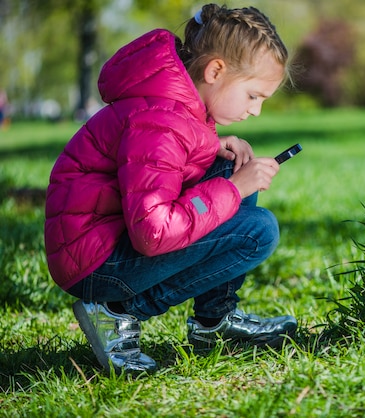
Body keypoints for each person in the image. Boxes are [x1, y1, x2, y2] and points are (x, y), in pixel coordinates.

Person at [44, 4, 297, 373]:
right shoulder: (162, 122)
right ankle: (116, 312)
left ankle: (215, 321)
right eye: (253, 96)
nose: (256, 110)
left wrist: (217, 151)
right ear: (215, 71)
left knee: (232, 165)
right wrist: (232, 190)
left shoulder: (176, 109)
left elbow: (167, 169)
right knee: (258, 230)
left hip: (105, 241)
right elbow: (152, 232)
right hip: (95, 264)